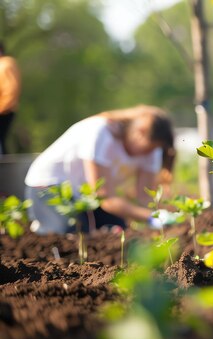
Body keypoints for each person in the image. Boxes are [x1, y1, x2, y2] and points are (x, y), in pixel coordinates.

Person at [24, 105, 179, 234]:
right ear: (140, 132)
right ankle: (42, 224)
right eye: (147, 148)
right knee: (71, 232)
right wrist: (152, 218)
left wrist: (161, 219)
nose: (149, 154)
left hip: (86, 196)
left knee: (119, 232)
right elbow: (105, 197)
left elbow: (144, 198)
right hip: (50, 185)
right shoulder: (101, 133)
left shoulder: (152, 150)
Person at [0, 41, 21, 155]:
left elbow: (10, 90)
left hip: (4, 109)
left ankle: (4, 170)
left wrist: (3, 108)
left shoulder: (5, 64)